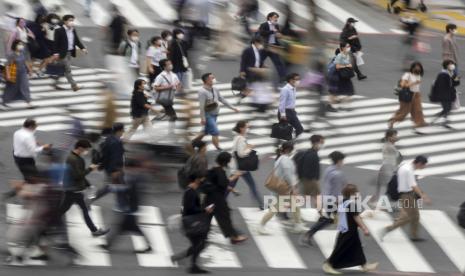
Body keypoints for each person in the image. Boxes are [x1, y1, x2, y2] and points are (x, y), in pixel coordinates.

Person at [322, 184, 379, 274]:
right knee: (341, 248)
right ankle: (328, 264)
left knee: (357, 247)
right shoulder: (352, 204)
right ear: (352, 193)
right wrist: (365, 228)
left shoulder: (343, 201)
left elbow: (335, 211)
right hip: (348, 230)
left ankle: (364, 265)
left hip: (346, 229)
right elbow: (357, 218)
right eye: (357, 192)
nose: (359, 193)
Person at [58, 139, 109, 236]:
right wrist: (90, 169)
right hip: (72, 191)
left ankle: (94, 231)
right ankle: (45, 228)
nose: (87, 152)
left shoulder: (76, 158)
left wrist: (88, 185)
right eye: (86, 149)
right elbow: (77, 176)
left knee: (83, 210)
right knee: (61, 211)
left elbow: (80, 176)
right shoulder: (73, 159)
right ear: (80, 148)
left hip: (75, 190)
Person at [100, 159, 152, 254]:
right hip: (129, 207)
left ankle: (108, 245)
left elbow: (130, 192)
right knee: (124, 227)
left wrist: (114, 188)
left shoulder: (135, 178)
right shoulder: (133, 177)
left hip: (130, 207)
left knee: (128, 228)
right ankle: (108, 245)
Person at [300, 151, 348, 246]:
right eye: (342, 160)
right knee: (339, 219)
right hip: (333, 200)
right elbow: (338, 190)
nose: (343, 162)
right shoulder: (338, 174)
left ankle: (308, 234)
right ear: (339, 161)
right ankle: (308, 235)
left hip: (326, 197)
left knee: (329, 219)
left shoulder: (329, 169)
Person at [258, 141, 306, 234]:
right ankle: (261, 226)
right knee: (275, 209)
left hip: (284, 188)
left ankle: (298, 225)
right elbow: (288, 175)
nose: (294, 151)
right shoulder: (285, 159)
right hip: (284, 189)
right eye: (293, 149)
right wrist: (293, 187)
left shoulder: (281, 158)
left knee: (295, 205)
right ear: (288, 150)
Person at [380, 155, 432, 242]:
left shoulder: (405, 166)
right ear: (419, 163)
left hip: (407, 194)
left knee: (415, 216)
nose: (424, 167)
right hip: (407, 196)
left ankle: (414, 235)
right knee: (408, 217)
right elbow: (413, 185)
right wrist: (423, 196)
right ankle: (387, 229)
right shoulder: (408, 170)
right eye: (423, 165)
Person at [171, 173, 214, 274]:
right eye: (201, 179)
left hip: (194, 221)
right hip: (192, 222)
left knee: (199, 244)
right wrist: (205, 209)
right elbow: (190, 208)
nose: (202, 180)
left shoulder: (194, 190)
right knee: (199, 244)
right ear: (196, 180)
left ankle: (181, 259)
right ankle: (193, 266)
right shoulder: (190, 192)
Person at [205, 152, 248, 244]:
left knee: (207, 217)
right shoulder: (220, 171)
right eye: (229, 161)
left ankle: (202, 234)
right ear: (225, 162)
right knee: (225, 217)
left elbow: (218, 184)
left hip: (210, 198)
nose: (229, 163)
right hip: (217, 199)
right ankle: (234, 237)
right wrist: (235, 176)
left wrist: (232, 190)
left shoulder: (213, 169)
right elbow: (224, 183)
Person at [196, 73, 239, 150]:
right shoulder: (202, 92)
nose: (214, 79)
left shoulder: (215, 89)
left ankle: (193, 143)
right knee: (215, 132)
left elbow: (222, 99)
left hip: (215, 115)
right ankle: (218, 148)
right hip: (208, 115)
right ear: (207, 80)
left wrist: (233, 108)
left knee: (204, 132)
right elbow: (201, 106)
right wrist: (202, 118)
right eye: (212, 78)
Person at [229, 121, 263, 209]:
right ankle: (260, 204)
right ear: (241, 128)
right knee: (251, 185)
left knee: (231, 185)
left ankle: (260, 203)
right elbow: (240, 154)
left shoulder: (238, 137)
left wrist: (247, 146)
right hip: (240, 167)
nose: (247, 129)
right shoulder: (240, 139)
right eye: (245, 127)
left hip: (239, 167)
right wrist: (249, 149)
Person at [388, 61, 427, 133]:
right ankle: (392, 121)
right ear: (412, 68)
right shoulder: (407, 75)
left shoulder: (418, 75)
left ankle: (418, 124)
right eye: (416, 67)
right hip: (408, 95)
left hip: (416, 94)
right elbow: (403, 85)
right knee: (404, 112)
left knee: (418, 111)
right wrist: (414, 83)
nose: (418, 69)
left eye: (419, 67)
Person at [53, 14, 87, 92]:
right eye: (70, 20)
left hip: (69, 53)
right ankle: (74, 86)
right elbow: (55, 43)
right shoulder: (59, 31)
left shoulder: (73, 30)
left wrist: (83, 48)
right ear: (65, 21)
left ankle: (55, 83)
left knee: (62, 70)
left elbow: (77, 41)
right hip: (62, 54)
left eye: (72, 20)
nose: (71, 22)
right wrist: (55, 53)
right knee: (68, 70)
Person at [371, 130, 401, 205]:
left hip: (389, 168)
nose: (396, 137)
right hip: (387, 169)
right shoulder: (389, 146)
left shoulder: (390, 145)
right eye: (395, 136)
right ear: (389, 137)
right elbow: (395, 158)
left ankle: (377, 201)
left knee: (384, 187)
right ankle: (377, 202)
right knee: (386, 187)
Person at [293, 135, 324, 207]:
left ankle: (285, 207)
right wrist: (314, 180)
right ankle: (321, 215)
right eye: (321, 142)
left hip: (307, 179)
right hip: (310, 180)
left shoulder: (309, 152)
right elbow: (306, 169)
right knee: (317, 198)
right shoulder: (312, 155)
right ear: (316, 143)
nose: (322, 144)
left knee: (304, 196)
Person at [2, 39, 34, 108]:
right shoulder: (11, 54)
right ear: (15, 45)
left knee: (25, 86)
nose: (21, 46)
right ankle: (5, 101)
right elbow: (7, 65)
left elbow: (25, 62)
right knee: (11, 88)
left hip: (23, 72)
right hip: (14, 73)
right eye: (19, 44)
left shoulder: (22, 52)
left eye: (21, 44)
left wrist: (30, 70)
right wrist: (8, 74)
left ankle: (29, 102)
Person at [430, 60, 460, 128]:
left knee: (447, 109)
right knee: (447, 108)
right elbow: (442, 86)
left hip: (450, 94)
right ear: (446, 65)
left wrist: (456, 79)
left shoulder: (452, 73)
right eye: (450, 64)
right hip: (443, 95)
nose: (452, 65)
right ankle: (444, 122)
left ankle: (435, 119)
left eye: (452, 64)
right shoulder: (442, 74)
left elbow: (456, 83)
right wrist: (453, 81)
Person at [258, 12, 287, 81]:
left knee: (278, 63)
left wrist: (279, 36)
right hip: (265, 47)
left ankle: (282, 78)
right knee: (259, 62)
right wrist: (272, 31)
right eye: (275, 17)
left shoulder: (276, 26)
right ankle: (257, 76)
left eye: (277, 18)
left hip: (273, 47)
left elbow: (278, 35)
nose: (276, 19)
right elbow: (262, 33)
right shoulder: (264, 25)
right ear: (270, 18)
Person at [278, 73, 304, 138]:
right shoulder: (285, 89)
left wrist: (293, 110)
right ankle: (279, 144)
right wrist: (283, 114)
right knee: (283, 132)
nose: (298, 81)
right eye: (296, 79)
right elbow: (282, 102)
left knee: (299, 129)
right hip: (285, 112)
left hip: (291, 112)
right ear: (290, 80)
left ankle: (293, 142)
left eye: (299, 79)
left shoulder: (294, 88)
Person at [334, 43, 356, 111]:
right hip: (342, 76)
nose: (348, 48)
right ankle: (344, 106)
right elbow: (337, 67)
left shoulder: (348, 55)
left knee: (346, 92)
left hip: (346, 76)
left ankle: (342, 105)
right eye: (347, 47)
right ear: (343, 48)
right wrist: (346, 66)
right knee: (348, 92)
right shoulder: (339, 56)